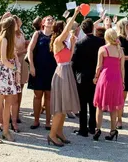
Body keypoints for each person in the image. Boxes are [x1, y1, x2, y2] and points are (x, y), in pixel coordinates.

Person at [48, 9, 81, 146]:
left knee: (64, 106)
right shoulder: (57, 41)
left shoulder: (64, 43)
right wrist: (75, 14)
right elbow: (67, 29)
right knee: (59, 107)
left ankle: (59, 132)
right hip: (62, 72)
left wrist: (73, 44)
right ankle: (51, 135)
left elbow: (70, 56)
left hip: (67, 70)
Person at [0, 17, 20, 143]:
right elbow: (3, 60)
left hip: (10, 73)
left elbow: (14, 56)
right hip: (3, 73)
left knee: (8, 104)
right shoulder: (4, 40)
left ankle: (6, 131)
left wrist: (17, 68)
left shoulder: (11, 39)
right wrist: (15, 69)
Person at [72, 18, 103, 137]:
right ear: (93, 28)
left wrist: (75, 76)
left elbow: (74, 63)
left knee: (83, 105)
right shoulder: (100, 42)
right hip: (96, 76)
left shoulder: (79, 44)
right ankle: (92, 127)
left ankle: (83, 129)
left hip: (82, 77)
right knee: (93, 103)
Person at [93, 27, 125, 141]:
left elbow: (99, 66)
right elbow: (122, 68)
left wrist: (96, 77)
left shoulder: (103, 49)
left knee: (100, 106)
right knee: (113, 106)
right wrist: (123, 81)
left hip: (105, 78)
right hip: (116, 79)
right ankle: (113, 130)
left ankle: (98, 129)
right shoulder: (120, 50)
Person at [27, 15, 56, 130]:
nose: (50, 21)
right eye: (48, 19)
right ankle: (36, 120)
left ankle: (48, 122)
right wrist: (31, 66)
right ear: (43, 22)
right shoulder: (37, 34)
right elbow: (30, 49)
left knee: (49, 96)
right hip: (38, 68)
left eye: (51, 20)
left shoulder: (55, 35)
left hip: (51, 69)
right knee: (37, 95)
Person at [12, 16, 29, 126]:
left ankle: (17, 113)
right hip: (15, 62)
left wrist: (26, 43)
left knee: (21, 88)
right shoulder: (11, 35)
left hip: (22, 61)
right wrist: (25, 49)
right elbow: (12, 53)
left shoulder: (21, 32)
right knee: (13, 88)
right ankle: (11, 113)